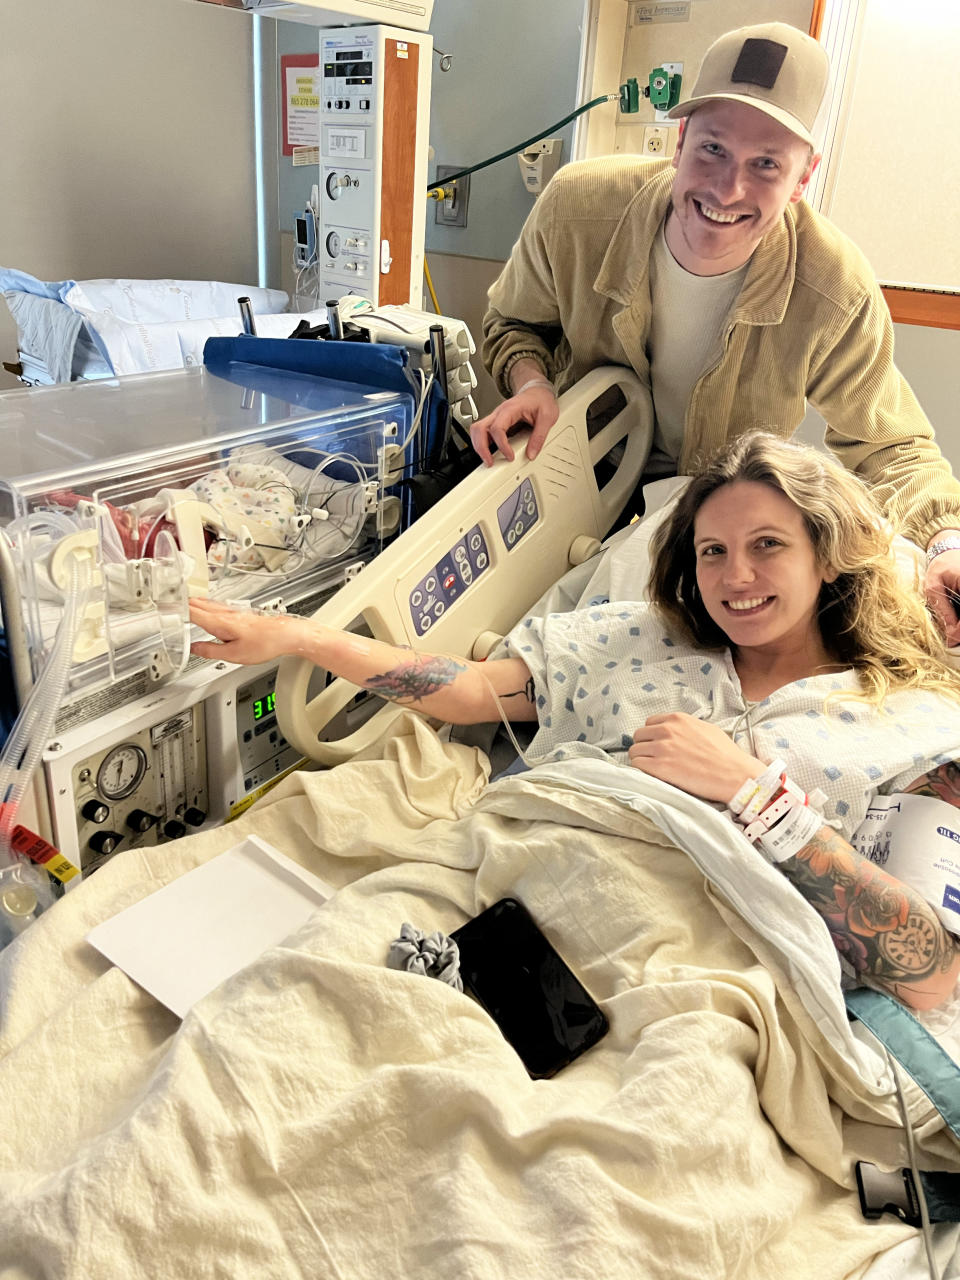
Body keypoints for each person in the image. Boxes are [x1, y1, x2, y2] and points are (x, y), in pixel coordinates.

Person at [190, 432, 960, 1012]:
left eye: (768, 546)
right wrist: (300, 637)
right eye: (712, 551)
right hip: (521, 899)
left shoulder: (910, 724)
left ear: (826, 555)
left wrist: (757, 795)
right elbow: (467, 693)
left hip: (696, 979)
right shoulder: (636, 639)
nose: (736, 578)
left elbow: (931, 974)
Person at [473, 21, 960, 644]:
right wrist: (533, 382)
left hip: (708, 525)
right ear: (680, 140)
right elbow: (511, 320)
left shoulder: (831, 289)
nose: (728, 189)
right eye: (713, 149)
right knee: (504, 650)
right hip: (566, 476)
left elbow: (893, 447)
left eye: (765, 165)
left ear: (803, 177)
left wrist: (945, 543)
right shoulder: (578, 212)